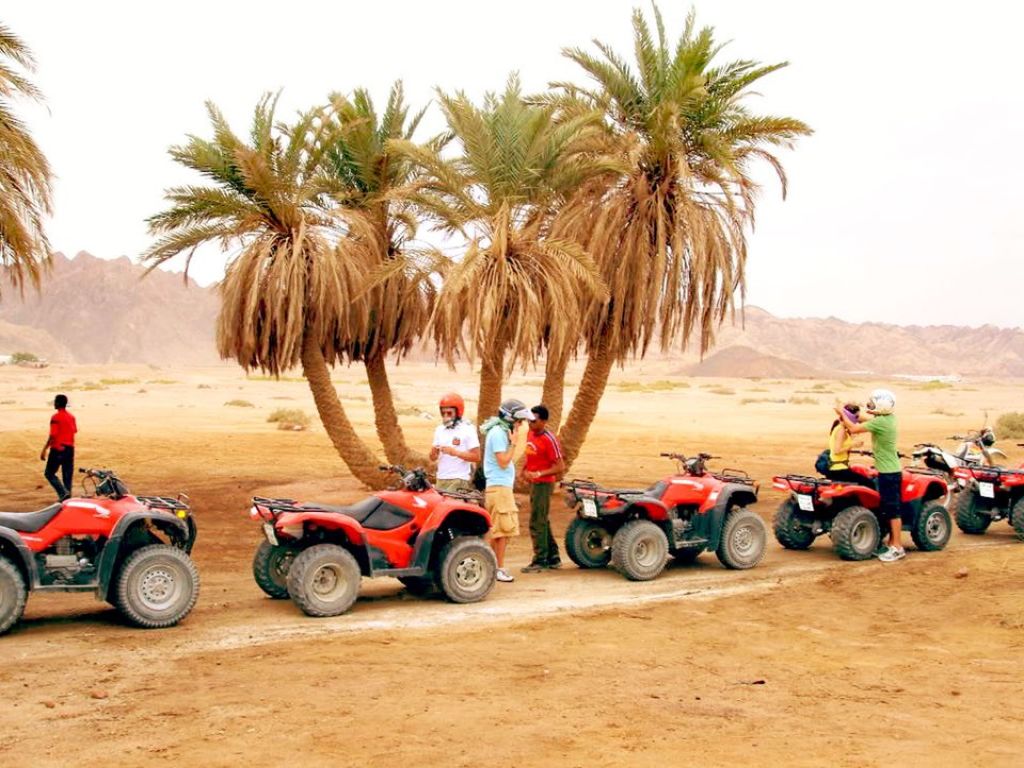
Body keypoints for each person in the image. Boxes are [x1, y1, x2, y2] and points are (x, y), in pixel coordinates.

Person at [835, 389, 904, 562]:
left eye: (873, 404)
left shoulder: (880, 423)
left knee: (893, 511)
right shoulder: (887, 419)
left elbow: (853, 428)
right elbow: (862, 419)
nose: (869, 406)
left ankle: (897, 547)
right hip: (887, 471)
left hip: (889, 473)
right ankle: (891, 544)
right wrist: (849, 411)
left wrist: (841, 414)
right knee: (888, 509)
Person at [480, 398, 534, 583]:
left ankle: (489, 565)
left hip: (500, 488)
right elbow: (503, 462)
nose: (521, 425)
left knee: (499, 530)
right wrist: (514, 443)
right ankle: (497, 568)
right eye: (519, 421)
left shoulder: (501, 431)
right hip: (499, 488)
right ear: (511, 419)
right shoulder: (497, 433)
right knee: (501, 531)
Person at [521, 404, 566, 572]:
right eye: (528, 420)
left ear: (544, 421)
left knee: (536, 521)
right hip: (535, 483)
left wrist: (540, 473)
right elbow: (530, 455)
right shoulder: (530, 434)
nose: (530, 423)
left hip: (544, 483)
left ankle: (540, 559)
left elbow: (560, 466)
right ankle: (553, 557)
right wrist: (525, 470)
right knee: (542, 519)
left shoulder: (549, 439)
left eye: (533, 420)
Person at [429, 392, 480, 493]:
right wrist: (433, 453)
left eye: (449, 413)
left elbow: (476, 457)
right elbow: (432, 458)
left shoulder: (468, 429)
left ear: (458, 412)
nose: (445, 416)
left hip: (459, 479)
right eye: (443, 413)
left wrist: (455, 453)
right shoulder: (439, 430)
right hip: (441, 478)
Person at [825, 403, 873, 487]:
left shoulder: (841, 427)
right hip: (838, 469)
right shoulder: (841, 430)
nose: (858, 419)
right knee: (868, 484)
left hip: (841, 467)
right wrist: (853, 444)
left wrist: (858, 450)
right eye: (856, 416)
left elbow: (841, 447)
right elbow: (837, 451)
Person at [41, 393, 77, 501]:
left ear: (57, 403)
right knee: (67, 477)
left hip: (58, 449)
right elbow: (74, 430)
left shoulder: (55, 417)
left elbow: (53, 435)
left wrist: (44, 449)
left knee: (49, 473)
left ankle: (62, 493)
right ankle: (67, 500)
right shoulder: (71, 417)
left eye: (55, 401)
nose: (54, 403)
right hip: (70, 449)